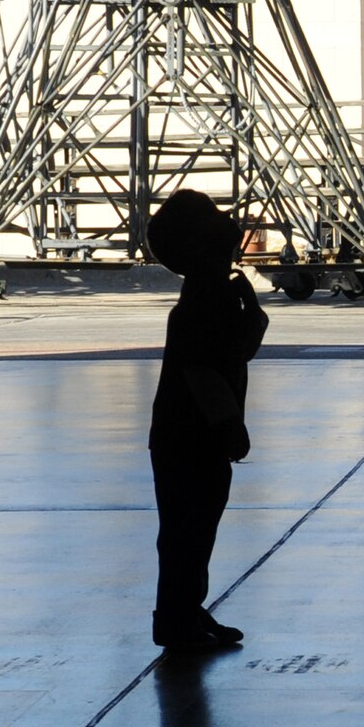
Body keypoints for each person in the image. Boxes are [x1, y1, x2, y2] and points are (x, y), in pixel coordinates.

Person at [146, 190, 268, 652]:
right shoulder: (206, 295)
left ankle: (184, 612)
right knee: (188, 533)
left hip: (185, 437)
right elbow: (202, 370)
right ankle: (178, 622)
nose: (230, 224)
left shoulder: (213, 289)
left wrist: (253, 317)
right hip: (191, 437)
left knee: (190, 532)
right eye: (215, 219)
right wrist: (228, 424)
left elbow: (232, 355)